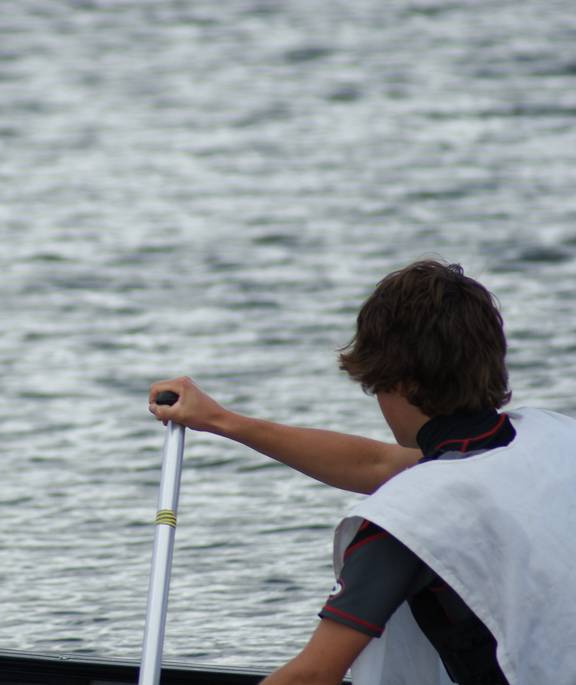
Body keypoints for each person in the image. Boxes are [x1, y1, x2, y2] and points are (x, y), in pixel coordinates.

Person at [149, 260, 576, 684]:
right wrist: (222, 421)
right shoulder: (553, 436)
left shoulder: (410, 520)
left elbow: (313, 676)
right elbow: (378, 463)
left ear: (402, 383)